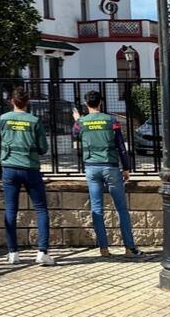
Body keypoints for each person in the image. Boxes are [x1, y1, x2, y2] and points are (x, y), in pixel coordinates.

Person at [0, 86, 56, 266]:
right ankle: (42, 252)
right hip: (30, 168)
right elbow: (43, 148)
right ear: (27, 102)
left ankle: (13, 253)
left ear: (12, 100)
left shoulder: (2, 119)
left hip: (9, 168)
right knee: (41, 209)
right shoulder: (34, 121)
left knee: (11, 210)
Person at [72, 90, 142, 258]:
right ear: (101, 103)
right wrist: (126, 168)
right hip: (110, 167)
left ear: (86, 104)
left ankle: (104, 249)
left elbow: (74, 135)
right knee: (121, 209)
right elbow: (120, 146)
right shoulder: (111, 121)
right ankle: (129, 248)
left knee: (97, 208)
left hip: (91, 168)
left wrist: (77, 120)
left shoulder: (81, 122)